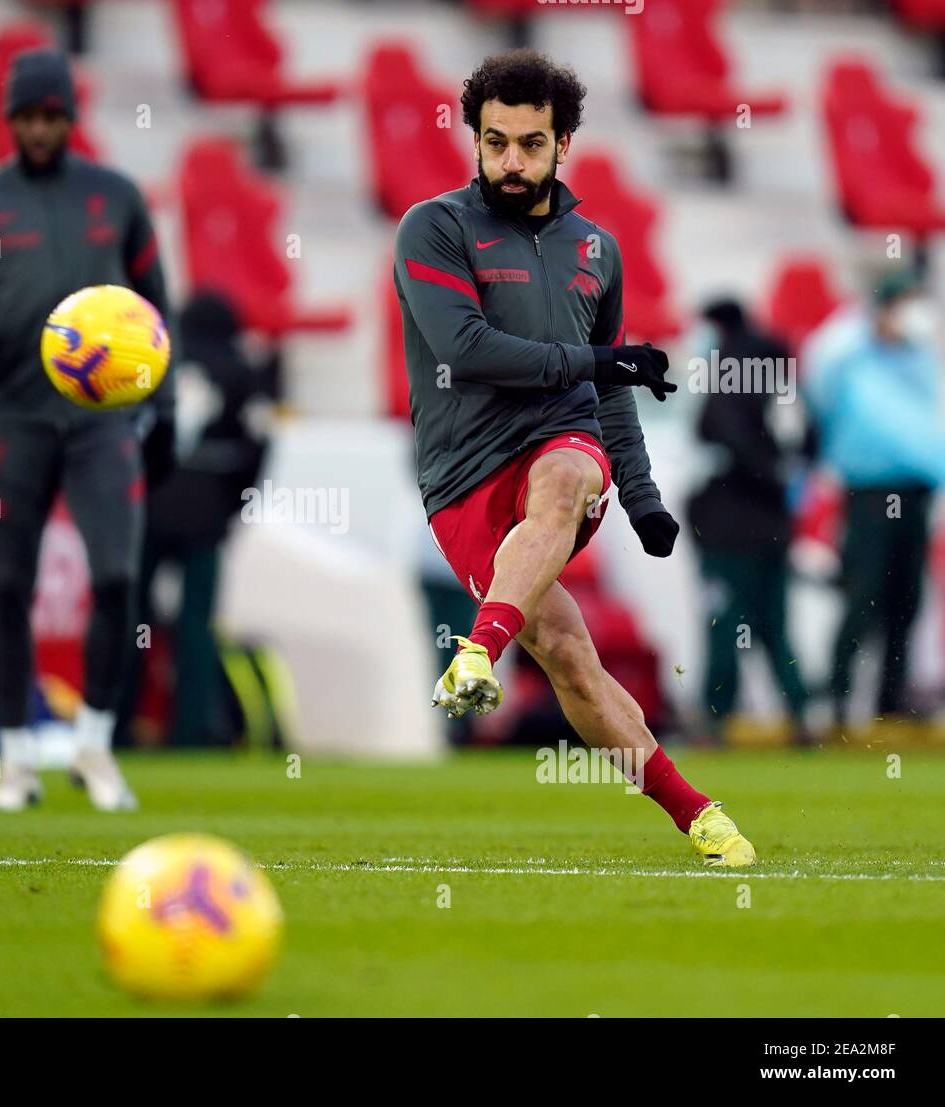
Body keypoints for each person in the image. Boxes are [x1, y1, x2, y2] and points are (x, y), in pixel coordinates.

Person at [393, 49, 755, 866]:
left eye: (529, 143)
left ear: (564, 143)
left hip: (559, 444)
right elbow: (468, 348)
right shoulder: (435, 227)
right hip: (460, 479)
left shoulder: (597, 247)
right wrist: (602, 363)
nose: (510, 162)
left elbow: (612, 391)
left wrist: (643, 493)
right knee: (567, 655)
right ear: (475, 141)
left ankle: (477, 648)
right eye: (494, 144)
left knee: (563, 480)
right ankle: (697, 814)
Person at [0, 49, 174, 812]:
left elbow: (157, 308)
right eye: (25, 116)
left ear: (69, 116)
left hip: (103, 423)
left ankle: (93, 745)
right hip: (17, 420)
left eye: (49, 115)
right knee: (7, 585)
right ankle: (15, 760)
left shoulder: (117, 197)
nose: (37, 128)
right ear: (9, 121)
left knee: (117, 577)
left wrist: (166, 408)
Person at [120, 291, 274, 747]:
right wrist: (233, 508)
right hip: (206, 516)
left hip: (147, 510)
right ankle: (191, 729)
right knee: (197, 624)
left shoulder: (153, 361)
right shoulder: (243, 370)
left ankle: (117, 724)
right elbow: (258, 447)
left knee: (132, 622)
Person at [804, 269, 944, 726]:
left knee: (906, 598)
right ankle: (838, 699)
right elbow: (819, 388)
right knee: (863, 594)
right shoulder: (848, 354)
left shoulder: (918, 359)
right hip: (868, 493)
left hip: (915, 492)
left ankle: (891, 700)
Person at [687, 298, 809, 740]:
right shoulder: (782, 384)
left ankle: (716, 717)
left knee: (723, 623)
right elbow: (804, 444)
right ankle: (800, 712)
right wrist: (780, 482)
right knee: (775, 624)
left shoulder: (727, 377)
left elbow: (718, 438)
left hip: (725, 527)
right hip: (772, 527)